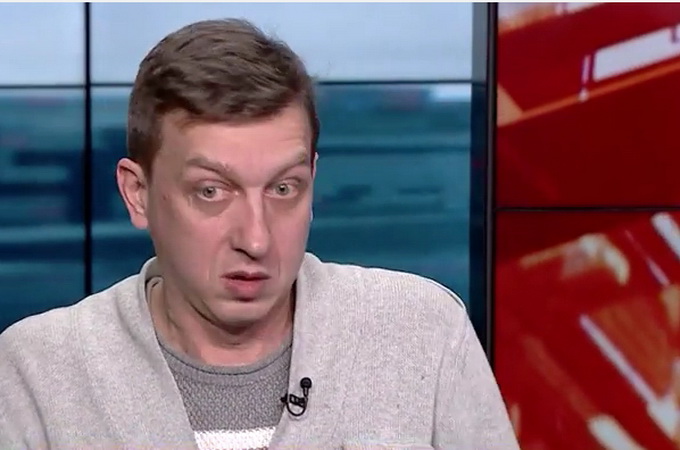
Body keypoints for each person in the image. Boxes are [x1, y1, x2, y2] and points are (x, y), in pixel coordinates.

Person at [0, 19, 519, 450]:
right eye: (211, 191)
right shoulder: (39, 371)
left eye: (283, 188)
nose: (257, 239)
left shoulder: (423, 335)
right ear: (138, 194)